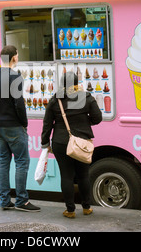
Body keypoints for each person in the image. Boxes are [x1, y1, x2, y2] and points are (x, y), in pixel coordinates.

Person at [40, 72, 102, 218]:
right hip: (82, 142)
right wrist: (86, 123)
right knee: (83, 175)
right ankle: (86, 207)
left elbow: (47, 123)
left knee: (66, 176)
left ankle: (70, 210)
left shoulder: (56, 100)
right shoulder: (86, 97)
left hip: (61, 142)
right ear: (76, 82)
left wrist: (45, 143)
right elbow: (98, 118)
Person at [0, 45, 40, 212]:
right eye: (17, 55)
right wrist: (24, 123)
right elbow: (19, 104)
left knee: (3, 162)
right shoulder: (15, 76)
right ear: (14, 58)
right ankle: (21, 201)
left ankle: (4, 201)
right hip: (14, 126)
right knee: (22, 162)